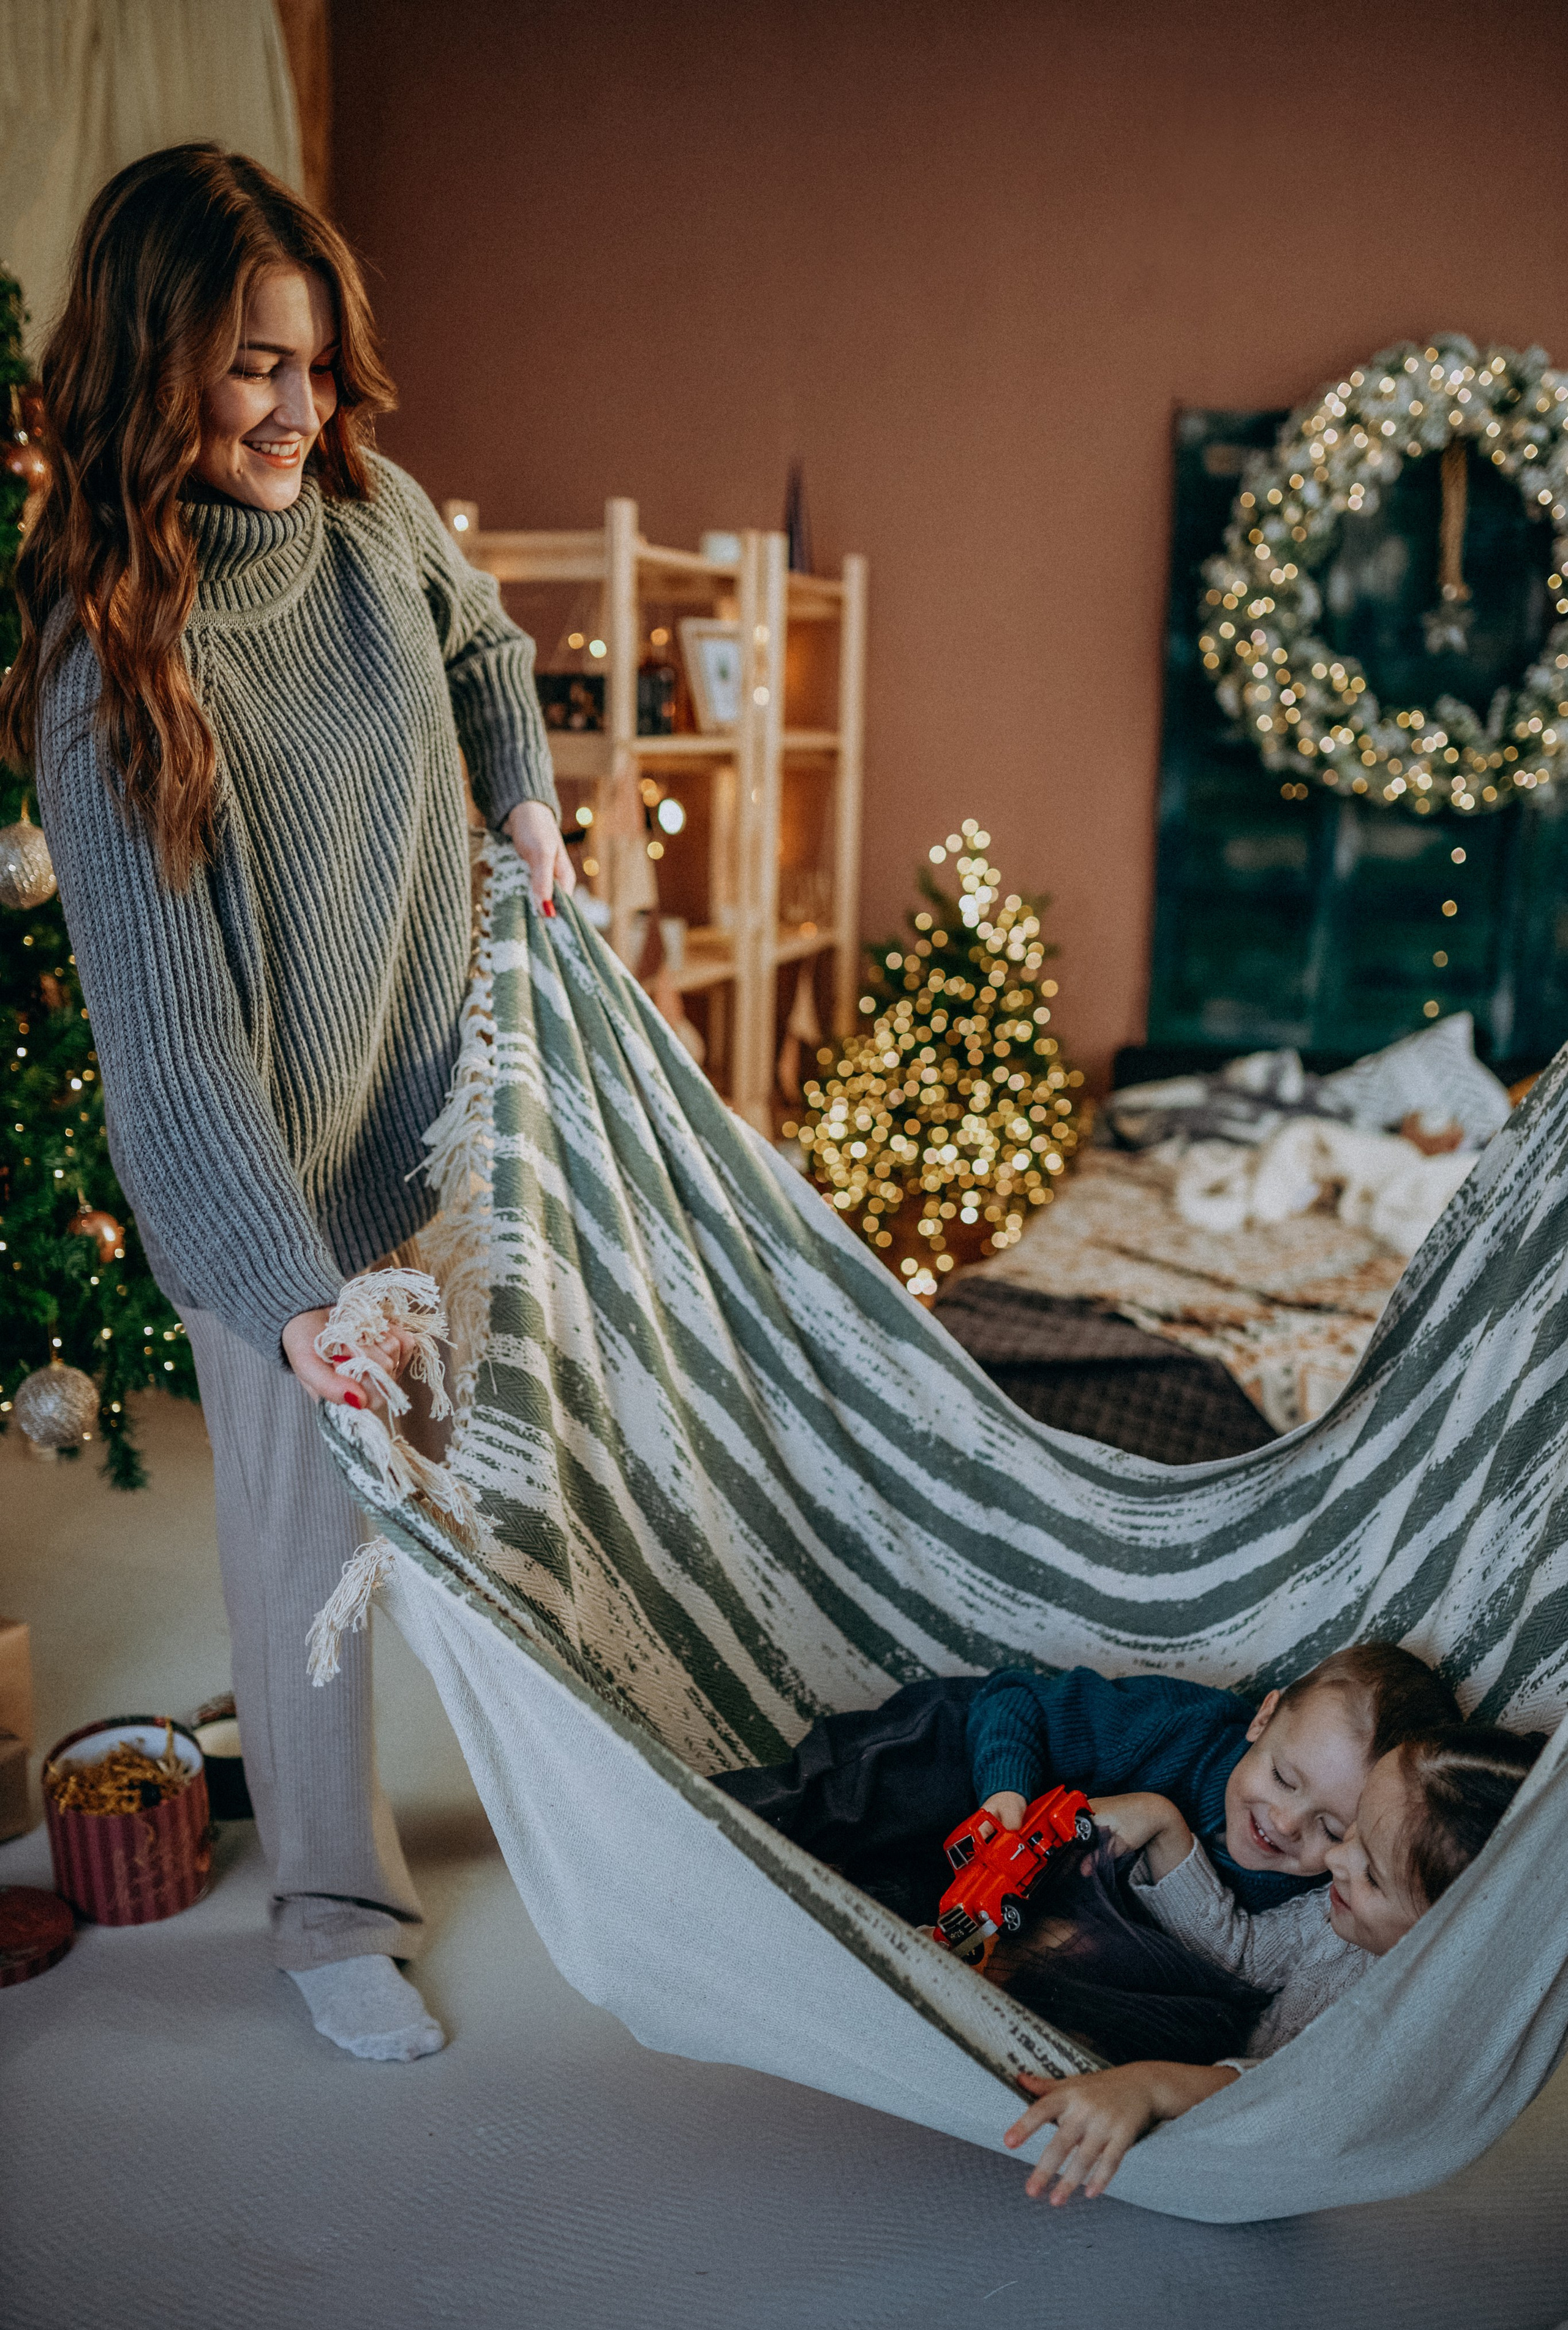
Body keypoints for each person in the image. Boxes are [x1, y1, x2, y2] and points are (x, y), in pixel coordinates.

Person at [0, 145, 574, 2060]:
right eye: (254, 365)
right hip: (268, 1189)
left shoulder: (374, 512)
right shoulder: (111, 667)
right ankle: (332, 1907)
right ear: (158, 359)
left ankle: (578, 1813)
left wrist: (524, 796)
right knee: (306, 1562)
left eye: (315, 367)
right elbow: (168, 1045)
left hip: (445, 1134)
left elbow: (490, 645)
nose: (297, 408)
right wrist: (287, 1292)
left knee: (498, 1497)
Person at [1003, 1719, 1547, 2204]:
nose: (1335, 1859)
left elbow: (1293, 2106)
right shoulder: (1337, 1918)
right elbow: (1243, 1957)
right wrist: (1165, 1828)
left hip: (1232, 2163)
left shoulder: (1415, 2034)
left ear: (1449, 1934)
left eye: (1373, 1875)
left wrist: (1149, 2088)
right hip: (1205, 2062)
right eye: (1352, 1829)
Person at [714, 1641, 1460, 1924]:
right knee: (845, 1800)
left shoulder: (1316, 1902)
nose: (1286, 1823)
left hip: (1006, 1887)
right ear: (1262, 1720)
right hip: (970, 1752)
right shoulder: (1174, 1726)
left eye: (1332, 1829)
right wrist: (1004, 1793)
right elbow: (1014, 1697)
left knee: (884, 1912)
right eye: (1282, 1777)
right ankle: (682, 1814)